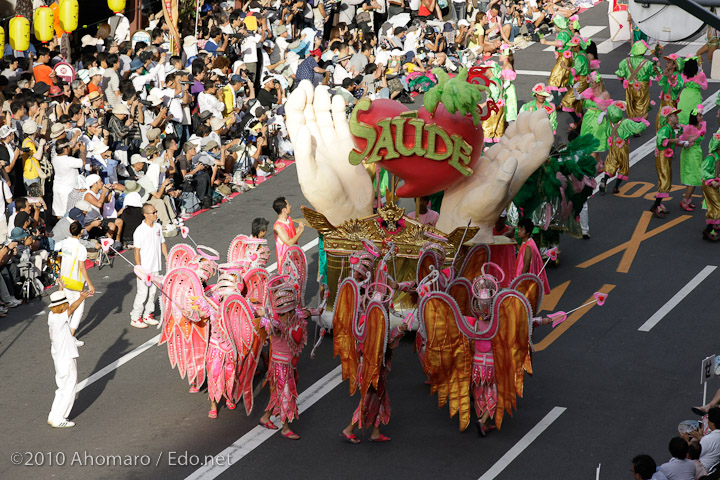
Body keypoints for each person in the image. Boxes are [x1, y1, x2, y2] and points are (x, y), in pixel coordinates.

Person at [47, 289, 90, 428]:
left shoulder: (51, 316)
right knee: (69, 389)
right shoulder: (60, 319)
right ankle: (60, 417)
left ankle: (54, 415)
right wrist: (82, 297)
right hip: (66, 359)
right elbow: (71, 309)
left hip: (59, 359)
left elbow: (63, 305)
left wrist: (61, 288)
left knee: (61, 388)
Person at [130, 203, 168, 329]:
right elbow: (137, 251)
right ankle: (135, 317)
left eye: (156, 211)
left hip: (156, 267)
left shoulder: (157, 227)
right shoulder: (139, 231)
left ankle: (148, 314)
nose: (156, 214)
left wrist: (167, 257)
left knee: (153, 293)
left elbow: (162, 243)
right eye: (153, 212)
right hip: (145, 269)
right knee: (142, 293)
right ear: (146, 215)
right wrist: (139, 268)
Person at [58, 220, 95, 344]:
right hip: (76, 282)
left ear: (69, 230)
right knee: (78, 308)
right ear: (81, 232)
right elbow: (82, 268)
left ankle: (62, 333)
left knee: (67, 307)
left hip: (64, 279)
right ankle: (70, 337)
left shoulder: (65, 243)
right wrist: (90, 284)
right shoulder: (80, 247)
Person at [599, 101, 647, 194]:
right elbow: (637, 128)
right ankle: (616, 187)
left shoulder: (609, 123)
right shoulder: (625, 122)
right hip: (622, 147)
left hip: (613, 146)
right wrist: (643, 121)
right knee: (623, 166)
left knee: (611, 163)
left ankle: (604, 180)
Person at [650, 107, 681, 218]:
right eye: (674, 115)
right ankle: (656, 205)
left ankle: (658, 204)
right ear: (668, 118)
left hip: (667, 156)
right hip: (663, 156)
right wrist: (674, 141)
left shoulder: (672, 129)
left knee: (666, 179)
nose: (677, 117)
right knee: (664, 179)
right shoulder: (665, 129)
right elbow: (661, 141)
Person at [616, 40, 657, 122]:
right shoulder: (647, 63)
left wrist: (622, 81)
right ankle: (639, 123)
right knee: (641, 104)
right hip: (642, 88)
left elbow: (620, 74)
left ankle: (632, 121)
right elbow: (655, 74)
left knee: (631, 103)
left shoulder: (625, 61)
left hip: (629, 86)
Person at [678, 106, 706, 212]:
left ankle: (688, 199)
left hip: (697, 152)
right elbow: (681, 140)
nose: (702, 117)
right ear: (695, 117)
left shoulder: (701, 125)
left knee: (695, 177)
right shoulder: (689, 128)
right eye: (700, 115)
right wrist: (687, 143)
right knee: (694, 177)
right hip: (690, 154)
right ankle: (685, 201)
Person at [514, 218, 550, 294]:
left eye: (521, 230)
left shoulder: (528, 247)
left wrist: (520, 280)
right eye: (519, 229)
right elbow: (522, 252)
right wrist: (516, 244)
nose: (519, 231)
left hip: (524, 279)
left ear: (527, 233)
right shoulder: (529, 241)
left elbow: (526, 265)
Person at [273, 196, 304, 266]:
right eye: (288, 205)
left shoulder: (289, 219)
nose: (290, 206)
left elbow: (292, 233)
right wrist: (300, 231)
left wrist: (299, 228)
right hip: (286, 261)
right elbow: (289, 242)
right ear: (284, 210)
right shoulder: (278, 227)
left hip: (295, 256)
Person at [701, 130, 720, 242]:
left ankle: (710, 229)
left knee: (713, 207)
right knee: (717, 206)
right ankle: (708, 230)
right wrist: (712, 181)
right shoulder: (711, 157)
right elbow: (703, 171)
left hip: (715, 185)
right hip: (709, 185)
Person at [677, 58, 707, 126]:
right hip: (695, 95)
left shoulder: (684, 75)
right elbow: (705, 87)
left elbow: (680, 82)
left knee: (684, 111)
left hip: (685, 93)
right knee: (694, 112)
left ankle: (683, 128)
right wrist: (698, 81)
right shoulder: (700, 75)